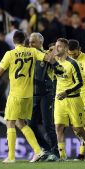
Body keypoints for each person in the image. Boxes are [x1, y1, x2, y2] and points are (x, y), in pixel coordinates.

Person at [0, 30, 53, 163]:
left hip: (15, 94)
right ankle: (38, 151)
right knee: (21, 123)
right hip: (29, 95)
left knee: (10, 123)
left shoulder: (10, 54)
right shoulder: (33, 51)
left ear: (13, 41)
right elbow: (50, 59)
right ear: (25, 40)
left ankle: (11, 156)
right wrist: (49, 51)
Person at [51, 38, 85, 161]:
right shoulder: (55, 61)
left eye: (59, 46)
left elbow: (80, 83)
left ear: (65, 49)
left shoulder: (73, 64)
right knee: (58, 127)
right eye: (56, 46)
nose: (56, 49)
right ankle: (62, 156)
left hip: (74, 99)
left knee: (78, 129)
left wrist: (67, 92)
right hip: (59, 100)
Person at [27, 33, 59, 161]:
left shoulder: (47, 55)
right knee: (30, 124)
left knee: (47, 124)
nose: (30, 45)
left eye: (33, 42)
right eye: (29, 42)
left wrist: (53, 58)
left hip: (46, 92)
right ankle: (45, 149)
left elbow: (57, 67)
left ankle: (55, 152)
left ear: (40, 42)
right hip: (32, 94)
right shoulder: (28, 55)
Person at [67, 39, 85, 161]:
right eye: (70, 54)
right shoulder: (66, 57)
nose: (72, 56)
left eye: (74, 54)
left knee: (84, 123)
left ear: (79, 49)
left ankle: (83, 153)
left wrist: (74, 70)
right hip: (72, 93)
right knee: (75, 126)